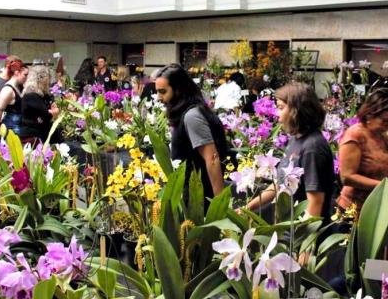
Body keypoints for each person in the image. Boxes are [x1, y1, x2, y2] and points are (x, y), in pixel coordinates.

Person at [243, 82, 334, 223]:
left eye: (280, 107)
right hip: (287, 230)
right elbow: (279, 184)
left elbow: (315, 202)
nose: (276, 113)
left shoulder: (312, 147)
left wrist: (303, 242)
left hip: (300, 236)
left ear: (297, 110)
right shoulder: (296, 139)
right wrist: (247, 209)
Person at [155, 64, 227, 202]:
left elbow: (212, 159)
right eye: (157, 92)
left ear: (178, 90)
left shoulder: (192, 116)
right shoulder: (188, 113)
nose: (159, 97)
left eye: (163, 92)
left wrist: (219, 203)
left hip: (200, 200)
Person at [337, 88, 388, 211]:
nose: (387, 125)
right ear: (370, 115)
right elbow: (347, 177)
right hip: (354, 210)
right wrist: (383, 186)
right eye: (385, 121)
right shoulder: (355, 136)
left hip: (377, 207)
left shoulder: (380, 134)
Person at [20, 65, 60, 144]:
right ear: (42, 79)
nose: (49, 82)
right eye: (48, 78)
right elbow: (46, 114)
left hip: (43, 134)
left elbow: (52, 108)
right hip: (33, 137)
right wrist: (52, 112)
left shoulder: (43, 95)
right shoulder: (31, 95)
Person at [0, 60, 28, 135]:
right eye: (25, 75)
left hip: (19, 126)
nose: (26, 78)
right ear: (17, 73)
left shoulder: (19, 86)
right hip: (11, 129)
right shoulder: (8, 90)